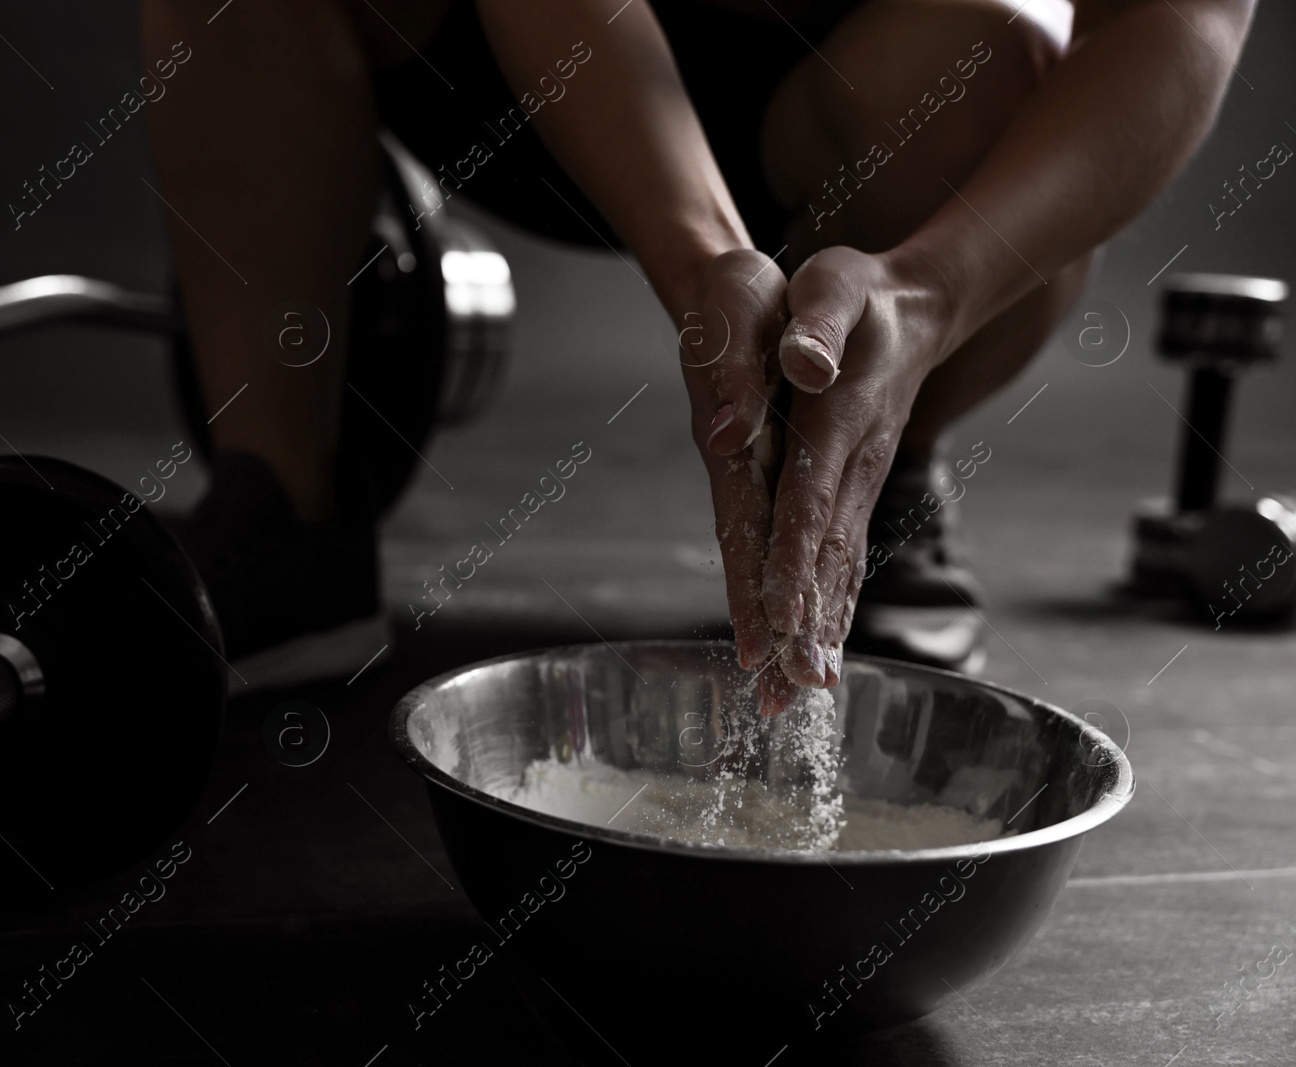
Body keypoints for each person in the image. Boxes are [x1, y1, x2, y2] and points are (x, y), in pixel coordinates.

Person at [141, 0, 1256, 708]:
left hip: (862, 95)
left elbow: (1181, 19)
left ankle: (884, 467)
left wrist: (928, 290)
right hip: (540, 51)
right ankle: (284, 508)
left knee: (995, 51)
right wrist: (701, 259)